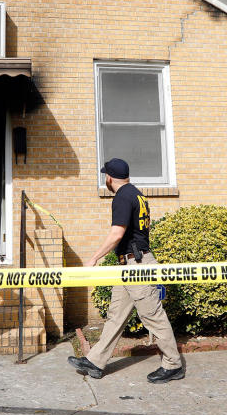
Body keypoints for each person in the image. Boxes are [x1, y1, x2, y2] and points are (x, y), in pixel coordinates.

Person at [67, 158, 184, 384]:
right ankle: (95, 361)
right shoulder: (137, 194)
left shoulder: (122, 197)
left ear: (109, 178)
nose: (106, 181)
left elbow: (116, 234)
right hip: (129, 264)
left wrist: (93, 258)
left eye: (106, 177)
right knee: (116, 315)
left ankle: (173, 365)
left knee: (153, 316)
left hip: (137, 265)